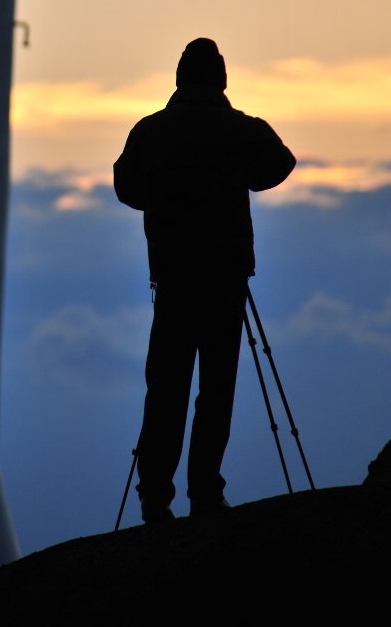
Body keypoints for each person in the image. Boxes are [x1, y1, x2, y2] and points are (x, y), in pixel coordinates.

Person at [113, 38, 296, 523]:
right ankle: (205, 494)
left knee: (166, 386)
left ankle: (154, 495)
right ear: (221, 79)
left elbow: (125, 186)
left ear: (178, 78)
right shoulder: (240, 129)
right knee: (217, 387)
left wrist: (164, 197)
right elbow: (280, 164)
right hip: (225, 274)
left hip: (173, 277)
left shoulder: (150, 131)